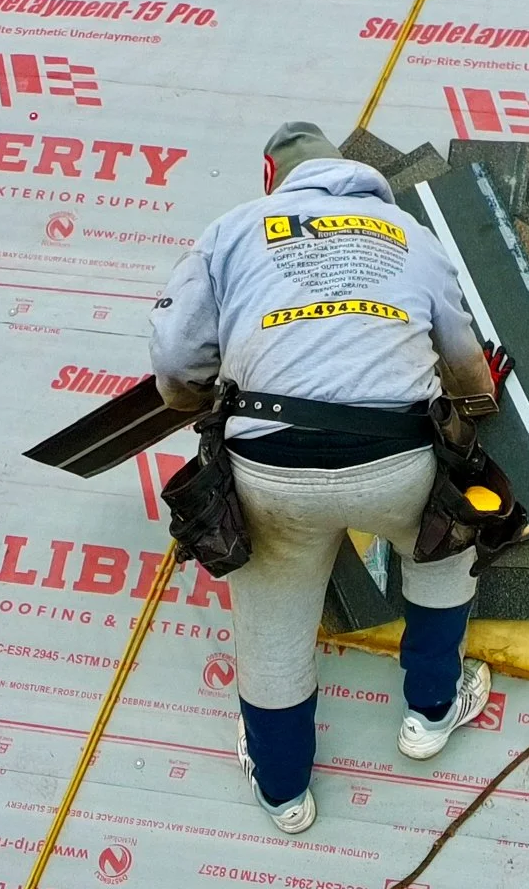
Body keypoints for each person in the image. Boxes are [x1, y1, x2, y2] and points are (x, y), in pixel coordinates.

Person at [149, 122, 508, 834]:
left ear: (270, 176)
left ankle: (285, 793)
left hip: (270, 467)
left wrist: (202, 399)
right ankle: (431, 715)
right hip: (395, 456)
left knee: (274, 621)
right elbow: (466, 362)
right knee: (442, 544)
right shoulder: (408, 232)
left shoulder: (230, 230)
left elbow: (174, 361)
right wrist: (472, 410)